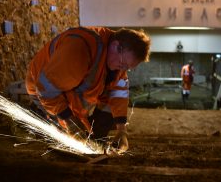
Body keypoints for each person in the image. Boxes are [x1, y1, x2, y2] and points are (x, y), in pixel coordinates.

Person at [25, 26, 151, 154]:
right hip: (44, 89)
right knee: (59, 137)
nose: (123, 69)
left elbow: (119, 94)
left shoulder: (117, 65)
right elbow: (47, 90)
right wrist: (69, 121)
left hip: (68, 88)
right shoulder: (79, 49)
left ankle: (94, 138)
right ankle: (35, 114)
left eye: (127, 68)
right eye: (123, 64)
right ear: (115, 46)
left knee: (87, 132)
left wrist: (122, 130)